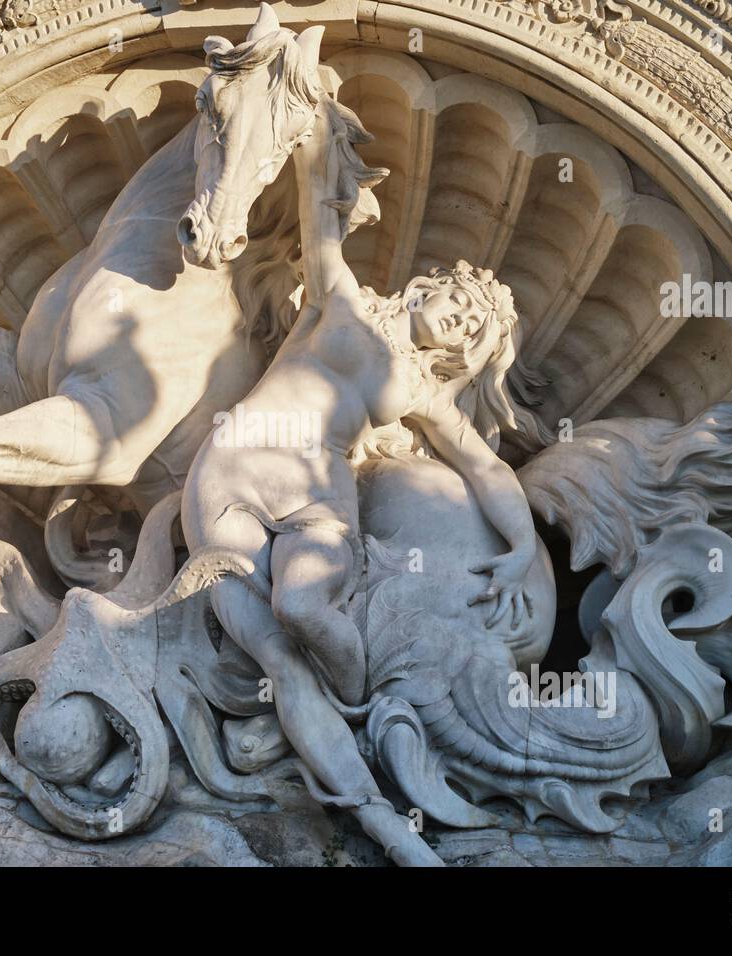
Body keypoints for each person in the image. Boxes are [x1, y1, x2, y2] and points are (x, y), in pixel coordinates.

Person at [181, 97, 548, 866]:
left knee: (305, 608)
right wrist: (304, 99)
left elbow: (485, 466)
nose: (463, 322)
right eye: (464, 301)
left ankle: (353, 717)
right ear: (427, 285)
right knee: (278, 654)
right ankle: (381, 820)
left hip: (321, 499)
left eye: (477, 330)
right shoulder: (337, 293)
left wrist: (519, 547)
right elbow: (319, 201)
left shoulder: (423, 394)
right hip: (238, 466)